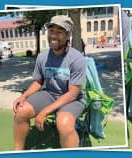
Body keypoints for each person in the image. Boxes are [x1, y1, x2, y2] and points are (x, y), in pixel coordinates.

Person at [13, 15, 86, 150]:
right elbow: (38, 82)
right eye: (51, 31)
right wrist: (23, 96)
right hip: (50, 94)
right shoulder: (42, 57)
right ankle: (17, 151)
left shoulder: (76, 59)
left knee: (64, 123)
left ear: (68, 35)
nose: (53, 36)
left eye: (59, 32)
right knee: (21, 111)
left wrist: (45, 111)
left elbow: (72, 94)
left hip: (72, 99)